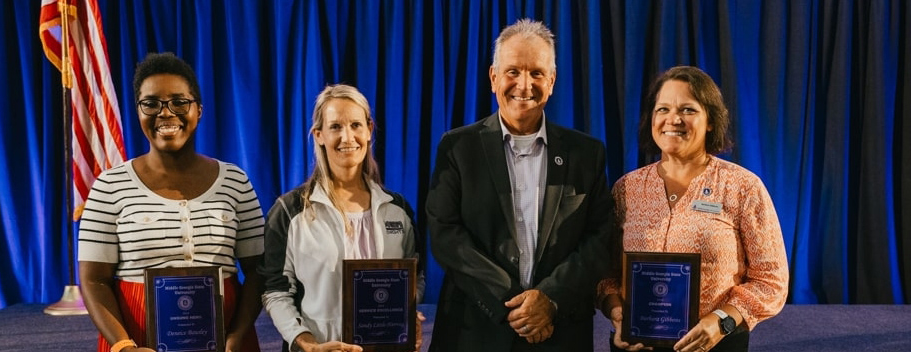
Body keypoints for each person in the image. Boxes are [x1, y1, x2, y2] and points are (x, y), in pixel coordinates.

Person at [426, 19, 617, 351]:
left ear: (553, 81)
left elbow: (599, 239)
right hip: (475, 332)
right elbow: (446, 236)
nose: (524, 84)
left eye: (537, 73)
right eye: (513, 71)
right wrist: (514, 303)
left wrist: (550, 299)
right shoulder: (457, 147)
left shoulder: (587, 153)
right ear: (493, 78)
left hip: (560, 332)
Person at [78, 52, 265, 352]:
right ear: (138, 111)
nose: (166, 113)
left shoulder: (236, 182)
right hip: (136, 341)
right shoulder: (108, 186)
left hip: (228, 339)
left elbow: (258, 271)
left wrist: (237, 338)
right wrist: (123, 345)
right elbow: (94, 281)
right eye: (151, 103)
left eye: (179, 101)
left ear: (199, 110)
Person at [598, 66, 789, 352]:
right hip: (637, 343)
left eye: (688, 109)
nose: (673, 119)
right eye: (662, 109)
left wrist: (722, 320)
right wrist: (617, 314)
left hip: (715, 344)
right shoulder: (627, 189)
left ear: (710, 120)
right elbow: (606, 274)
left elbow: (770, 280)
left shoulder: (743, 186)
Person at [259, 84, 426, 352]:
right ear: (319, 135)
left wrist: (405, 315)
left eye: (356, 125)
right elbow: (275, 291)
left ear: (369, 131)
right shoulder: (289, 211)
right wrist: (307, 344)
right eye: (335, 126)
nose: (347, 137)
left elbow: (415, 277)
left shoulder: (399, 210)